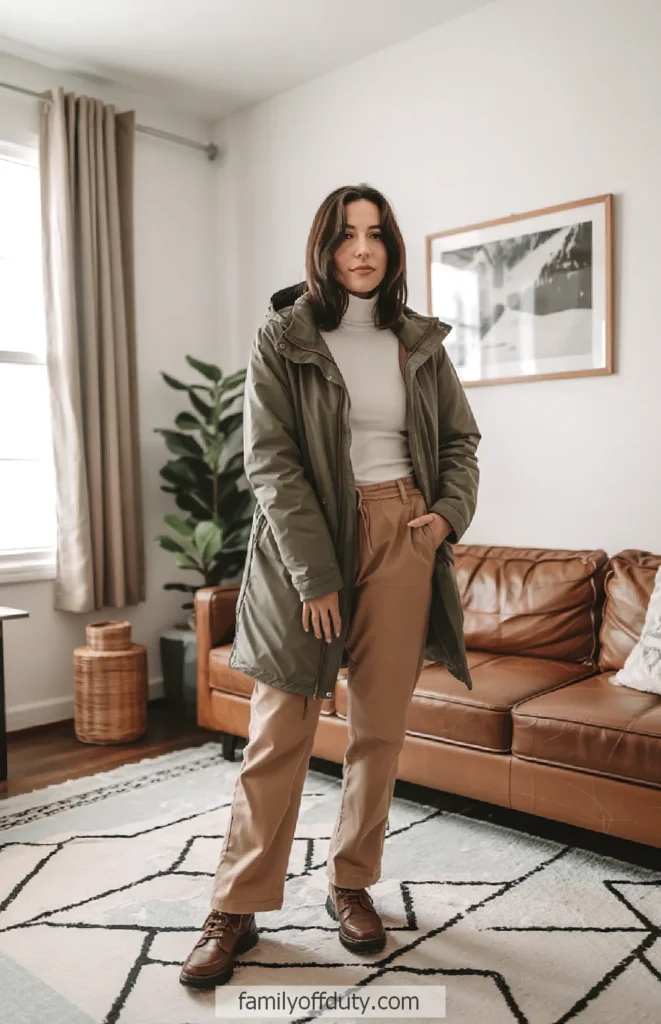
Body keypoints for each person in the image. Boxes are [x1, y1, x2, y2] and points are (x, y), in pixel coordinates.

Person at [180, 183, 481, 988]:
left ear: (391, 247)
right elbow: (270, 463)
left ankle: (351, 885)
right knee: (278, 731)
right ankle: (236, 905)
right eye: (347, 234)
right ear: (323, 246)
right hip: (304, 542)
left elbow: (459, 441)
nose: (362, 248)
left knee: (378, 729)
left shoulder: (419, 343)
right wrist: (315, 574)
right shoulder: (282, 337)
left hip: (402, 532)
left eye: (376, 234)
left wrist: (444, 516)